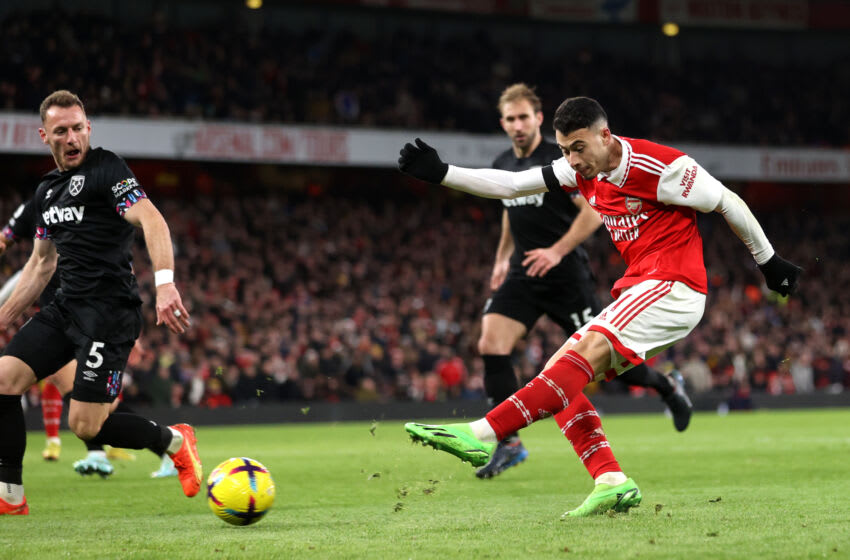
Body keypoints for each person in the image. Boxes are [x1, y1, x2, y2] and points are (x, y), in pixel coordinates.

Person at [398, 96, 801, 516]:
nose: (572, 159)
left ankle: (482, 433)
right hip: (644, 287)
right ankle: (610, 480)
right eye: (564, 149)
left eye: (578, 147)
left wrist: (769, 261)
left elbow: (726, 201)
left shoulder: (661, 167)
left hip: (674, 285)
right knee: (560, 374)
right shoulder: (579, 169)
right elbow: (512, 185)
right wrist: (443, 173)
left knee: (580, 355)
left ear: (604, 135)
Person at [475, 84, 692, 479]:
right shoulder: (503, 161)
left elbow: (594, 212)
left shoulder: (562, 158)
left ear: (539, 119)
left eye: (524, 117)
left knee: (608, 361)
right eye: (510, 118)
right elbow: (511, 210)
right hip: (525, 272)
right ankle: (509, 444)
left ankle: (666, 386)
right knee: (491, 341)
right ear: (502, 123)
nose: (517, 125)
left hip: (565, 276)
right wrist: (502, 257)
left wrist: (557, 250)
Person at [0, 90, 202, 516]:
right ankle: (10, 496)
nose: (72, 137)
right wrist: (2, 316)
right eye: (61, 131)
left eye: (78, 128)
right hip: (65, 309)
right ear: (44, 136)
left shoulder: (107, 169)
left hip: (108, 315)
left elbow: (151, 217)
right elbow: (40, 265)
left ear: (88, 128)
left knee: (85, 426)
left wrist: (165, 284)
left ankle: (176, 441)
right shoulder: (46, 192)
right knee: (2, 379)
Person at [0, 199, 177, 479]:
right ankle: (112, 451)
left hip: (95, 319)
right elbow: (8, 242)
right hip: (58, 319)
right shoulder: (39, 203)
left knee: (92, 406)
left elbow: (121, 267)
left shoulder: (90, 204)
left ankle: (162, 446)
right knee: (70, 389)